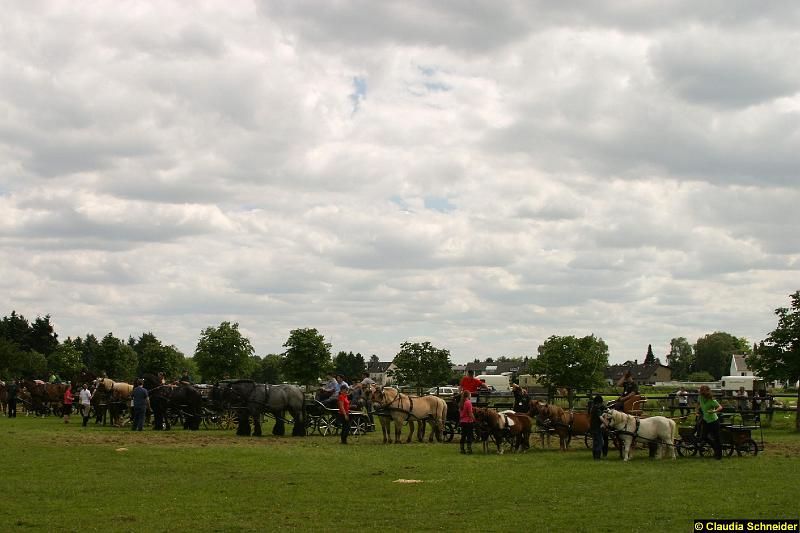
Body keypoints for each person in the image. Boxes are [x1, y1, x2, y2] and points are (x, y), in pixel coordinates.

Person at [697, 385, 723, 460]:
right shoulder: (701, 398)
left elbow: (720, 407)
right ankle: (715, 448)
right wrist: (697, 410)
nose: (701, 392)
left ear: (707, 391)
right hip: (706, 420)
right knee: (703, 437)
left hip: (714, 421)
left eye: (703, 391)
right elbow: (699, 405)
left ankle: (719, 455)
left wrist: (714, 411)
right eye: (701, 390)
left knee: (717, 438)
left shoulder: (711, 400)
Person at [589, 394, 608, 460]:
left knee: (595, 442)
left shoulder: (593, 407)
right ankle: (597, 457)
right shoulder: (597, 409)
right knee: (600, 442)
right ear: (599, 402)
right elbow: (600, 418)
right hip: (597, 428)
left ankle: (594, 456)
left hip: (592, 427)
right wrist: (605, 422)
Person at [458, 390, 475, 454]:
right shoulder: (468, 402)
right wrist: (474, 419)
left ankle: (462, 449)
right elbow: (470, 413)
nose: (471, 396)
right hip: (468, 421)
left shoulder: (461, 403)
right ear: (468, 395)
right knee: (469, 436)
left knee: (463, 436)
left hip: (462, 421)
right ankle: (469, 449)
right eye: (470, 394)